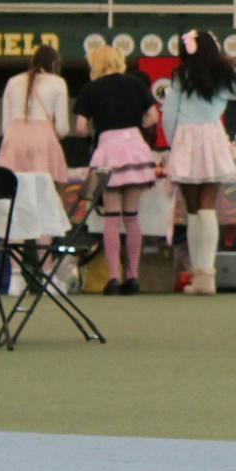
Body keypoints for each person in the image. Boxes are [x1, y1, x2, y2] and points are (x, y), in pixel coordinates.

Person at [162, 29, 236, 297]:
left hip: (186, 139)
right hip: (212, 138)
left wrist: (173, 144)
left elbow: (170, 112)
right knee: (208, 208)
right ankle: (207, 274)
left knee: (192, 210)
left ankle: (200, 275)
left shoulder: (181, 76)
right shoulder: (222, 76)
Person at [73, 43, 158, 295]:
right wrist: (135, 125)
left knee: (112, 217)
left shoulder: (91, 89)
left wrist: (93, 131)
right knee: (132, 216)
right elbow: (153, 117)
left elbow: (79, 127)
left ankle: (113, 277)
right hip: (135, 147)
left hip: (108, 149)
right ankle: (133, 276)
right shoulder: (135, 84)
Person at [0, 44, 71, 184]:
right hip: (43, 143)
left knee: (15, 192)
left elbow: (5, 127)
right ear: (54, 64)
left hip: (13, 141)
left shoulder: (12, 82)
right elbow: (62, 129)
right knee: (43, 195)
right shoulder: (58, 83)